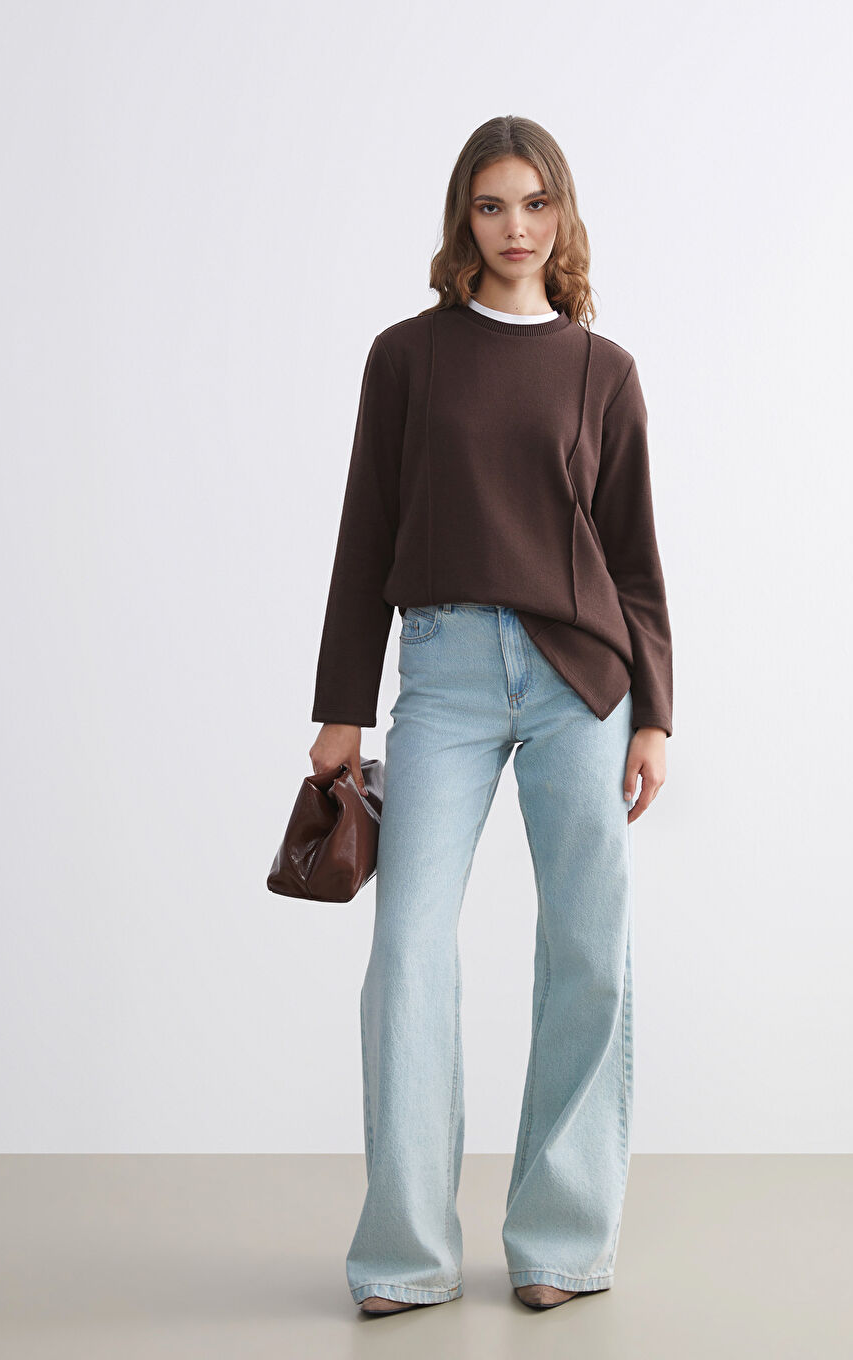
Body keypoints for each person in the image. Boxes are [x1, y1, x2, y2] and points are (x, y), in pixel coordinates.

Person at [308, 114, 673, 1317]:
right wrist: (342, 707)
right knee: (408, 949)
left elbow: (634, 556)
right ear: (463, 220)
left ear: (562, 215)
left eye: (536, 203)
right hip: (445, 671)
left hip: (583, 681)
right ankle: (406, 1254)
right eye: (491, 205)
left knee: (587, 948)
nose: (517, 228)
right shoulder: (407, 357)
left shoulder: (603, 370)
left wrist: (655, 713)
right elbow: (366, 529)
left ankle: (560, 1240)